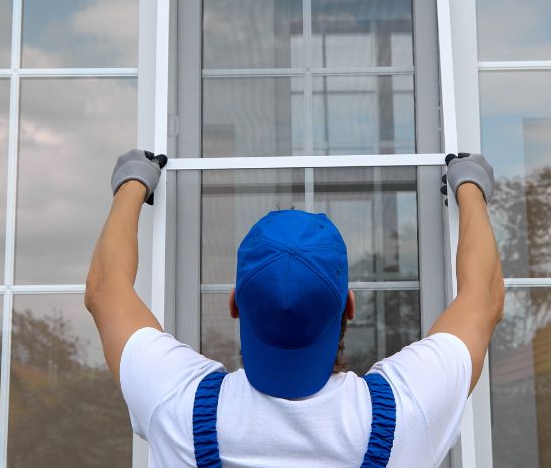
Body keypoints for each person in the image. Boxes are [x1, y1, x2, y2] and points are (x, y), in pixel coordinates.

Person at [85, 149, 505, 467]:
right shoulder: (406, 412)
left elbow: (106, 290)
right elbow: (481, 298)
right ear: (350, 307)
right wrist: (468, 185)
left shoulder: (176, 404)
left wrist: (134, 181)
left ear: (235, 303)